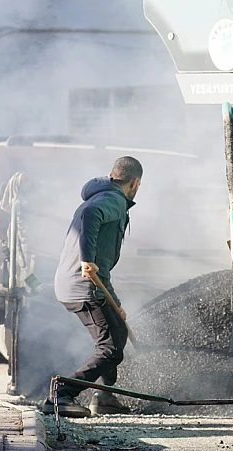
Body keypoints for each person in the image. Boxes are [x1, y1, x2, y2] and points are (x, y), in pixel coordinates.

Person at [43, 156, 142, 417]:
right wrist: (87, 260)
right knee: (110, 350)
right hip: (82, 285)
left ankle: (104, 396)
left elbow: (102, 268)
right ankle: (61, 393)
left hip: (81, 283)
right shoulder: (113, 200)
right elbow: (90, 216)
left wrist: (117, 306)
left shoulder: (104, 194)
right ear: (136, 183)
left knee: (117, 331)